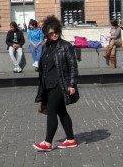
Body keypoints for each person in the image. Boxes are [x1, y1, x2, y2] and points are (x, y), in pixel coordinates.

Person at [33, 15, 79, 152]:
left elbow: (73, 66)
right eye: (51, 33)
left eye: (56, 32)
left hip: (61, 84)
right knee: (61, 112)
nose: (54, 35)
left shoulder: (65, 46)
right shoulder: (47, 46)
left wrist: (72, 84)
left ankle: (47, 143)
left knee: (51, 111)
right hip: (48, 84)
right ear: (46, 33)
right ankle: (70, 140)